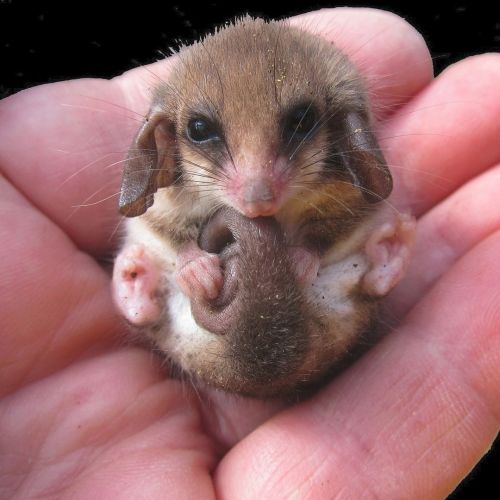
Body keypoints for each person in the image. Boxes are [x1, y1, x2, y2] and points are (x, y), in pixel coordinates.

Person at [1, 7, 498, 498]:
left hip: (315, 321)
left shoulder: (340, 171)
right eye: (204, 132)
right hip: (202, 334)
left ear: (347, 130)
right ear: (166, 137)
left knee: (359, 245)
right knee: (152, 246)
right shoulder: (174, 181)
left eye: (299, 123)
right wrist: (187, 259)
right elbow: (157, 220)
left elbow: (361, 204)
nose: (256, 191)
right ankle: (153, 291)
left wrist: (311, 250)